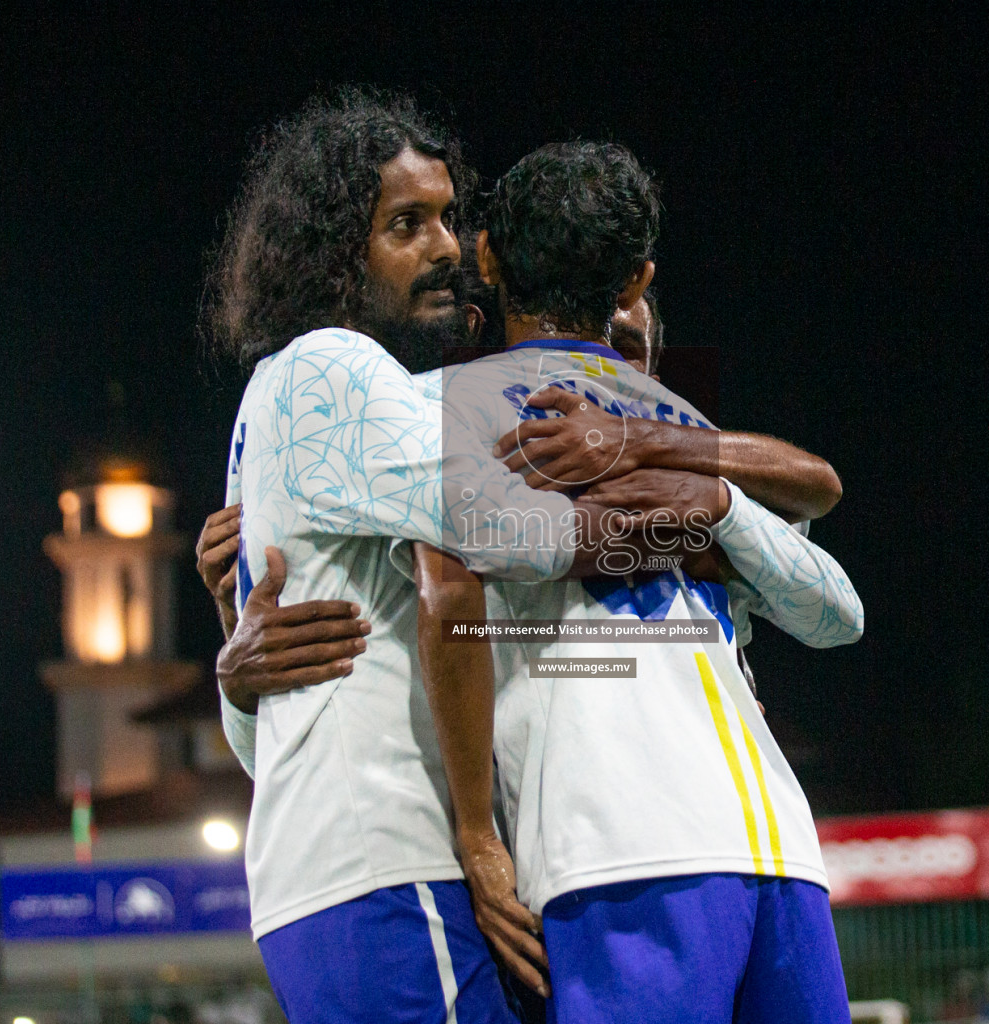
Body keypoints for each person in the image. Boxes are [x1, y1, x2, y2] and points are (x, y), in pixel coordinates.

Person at [205, 89, 731, 1024]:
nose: (446, 246)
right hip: (390, 860)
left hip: (331, 873)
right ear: (333, 255)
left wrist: (235, 672)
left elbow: (257, 739)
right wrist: (705, 508)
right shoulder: (336, 366)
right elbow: (505, 526)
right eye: (405, 225)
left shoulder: (280, 396)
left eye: (449, 217)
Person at [426, 140, 861, 1024]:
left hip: (619, 850)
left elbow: (436, 608)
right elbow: (832, 616)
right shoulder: (693, 425)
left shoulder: (439, 407)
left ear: (486, 258)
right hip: (775, 847)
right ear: (636, 282)